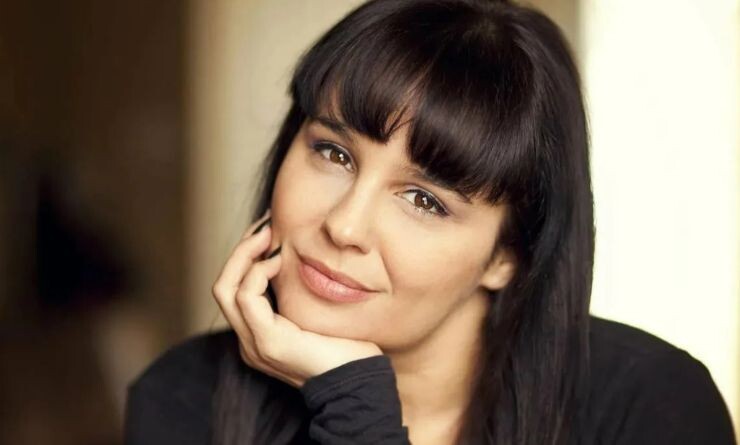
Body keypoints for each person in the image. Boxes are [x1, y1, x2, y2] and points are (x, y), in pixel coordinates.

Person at [123, 0, 737, 444]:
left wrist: (353, 405)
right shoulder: (183, 399)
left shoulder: (648, 406)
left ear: (507, 256)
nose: (345, 227)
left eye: (424, 201)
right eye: (333, 153)